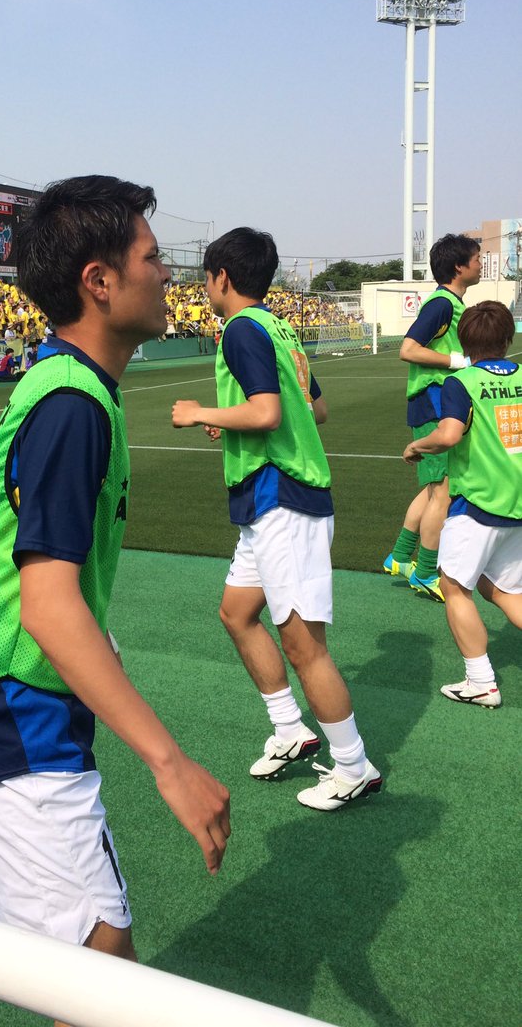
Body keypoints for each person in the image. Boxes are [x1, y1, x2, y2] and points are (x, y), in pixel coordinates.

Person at [0, 176, 231, 1027]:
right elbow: (49, 606)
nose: (170, 276)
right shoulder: (72, 405)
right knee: (102, 966)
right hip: (12, 720)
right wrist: (172, 763)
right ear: (100, 281)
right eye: (154, 258)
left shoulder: (62, 383)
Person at [172, 227, 380, 812]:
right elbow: (315, 407)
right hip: (270, 498)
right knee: (237, 614)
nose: (204, 288)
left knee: (304, 646)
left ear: (222, 278)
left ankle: (352, 765)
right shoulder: (278, 327)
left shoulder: (240, 328)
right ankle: (290, 729)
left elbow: (267, 412)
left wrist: (198, 413)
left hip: (283, 499)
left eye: (205, 278)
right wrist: (229, 418)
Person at [403, 301, 522, 707]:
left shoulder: (462, 382)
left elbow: (450, 434)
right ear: (508, 339)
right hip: (517, 504)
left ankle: (481, 681)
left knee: (453, 585)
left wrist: (418, 445)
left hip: (478, 504)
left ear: (465, 341)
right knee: (505, 591)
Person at [382, 234, 482, 601]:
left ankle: (399, 555)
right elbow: (408, 349)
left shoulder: (450, 303)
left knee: (433, 487)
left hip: (436, 400)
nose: (480, 262)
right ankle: (425, 572)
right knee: (443, 491)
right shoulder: (441, 304)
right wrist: (456, 361)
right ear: (459, 267)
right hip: (434, 401)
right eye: (476, 257)